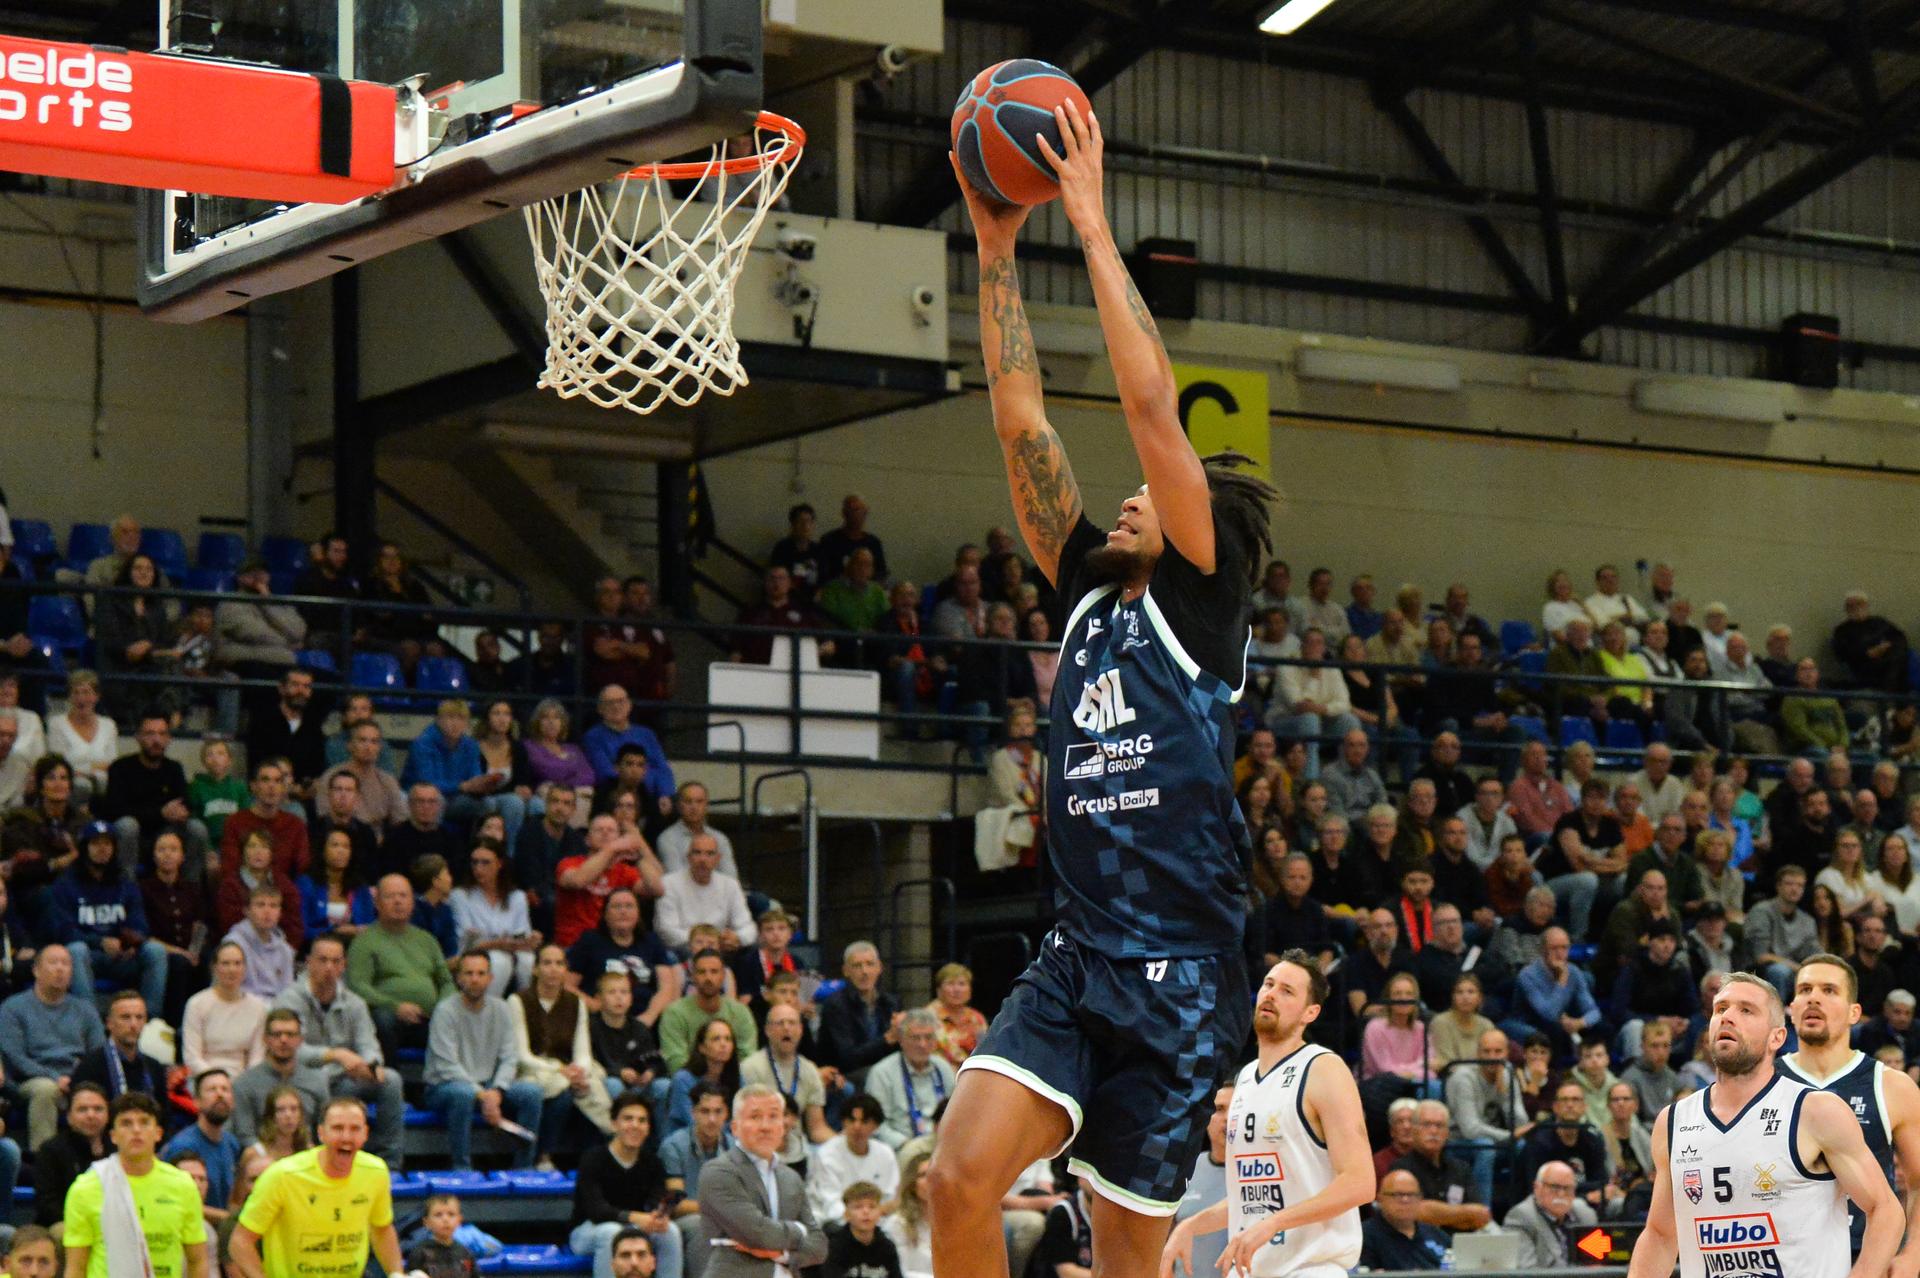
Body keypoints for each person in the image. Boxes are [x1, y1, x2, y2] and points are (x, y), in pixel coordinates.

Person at [939, 98, 1275, 1278]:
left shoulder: (1200, 604)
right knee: (955, 1180)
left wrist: (1087, 221)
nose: (1130, 496)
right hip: (1079, 955)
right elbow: (1019, 418)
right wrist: (993, 247)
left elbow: (1148, 411)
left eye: (1154, 492)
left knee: (1128, 1258)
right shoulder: (1088, 593)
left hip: (1182, 976)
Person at [1626, 973, 1900, 1278]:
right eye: (1721, 1008)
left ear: (1776, 1038)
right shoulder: (1674, 1121)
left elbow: (1886, 1210)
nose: (1728, 1017)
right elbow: (1660, 1235)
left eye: (1746, 1010)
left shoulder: (1815, 1110)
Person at [1160, 953, 1368, 1277]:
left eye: (1287, 991)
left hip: (1310, 1268)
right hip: (1252, 1268)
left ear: (1310, 1012)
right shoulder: (1244, 1078)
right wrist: (1192, 1224)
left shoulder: (1323, 1068)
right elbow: (1255, 1198)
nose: (1271, 994)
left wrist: (1275, 1222)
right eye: (1269, 984)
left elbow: (1360, 1182)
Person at [1778, 954, 1920, 1264]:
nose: (1814, 998)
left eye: (1829, 990)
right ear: (1792, 1009)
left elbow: (1918, 1180)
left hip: (1864, 1254)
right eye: (1804, 990)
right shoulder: (1761, 1083)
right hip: (1780, 1257)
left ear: (1854, 1012)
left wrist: (1913, 1253)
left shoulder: (1892, 1086)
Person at [271, 931, 406, 1169]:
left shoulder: (355, 1003)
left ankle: (390, 1163)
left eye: (335, 961)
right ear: (309, 962)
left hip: (347, 1078)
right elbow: (289, 1050)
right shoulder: (289, 1000)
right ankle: (319, 1159)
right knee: (320, 1081)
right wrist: (334, 1055)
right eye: (322, 960)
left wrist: (370, 1065)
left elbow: (368, 1044)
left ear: (344, 966)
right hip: (304, 1077)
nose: (329, 968)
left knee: (391, 1080)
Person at [230, 1096, 401, 1278]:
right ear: (321, 1133)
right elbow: (240, 1241)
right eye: (337, 1128)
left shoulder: (375, 1172)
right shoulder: (282, 1176)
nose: (346, 1137)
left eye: (355, 1129)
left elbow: (382, 1229)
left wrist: (397, 1273)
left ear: (365, 1134)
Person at [61, 1092, 207, 1278]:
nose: (136, 1130)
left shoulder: (183, 1185)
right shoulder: (85, 1189)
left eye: (144, 1122)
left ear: (158, 1133)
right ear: (113, 1136)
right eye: (126, 1123)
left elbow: (198, 1260)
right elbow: (76, 1268)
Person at [424, 950, 546, 1171]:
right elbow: (446, 1065)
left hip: (490, 1085)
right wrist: (482, 1095)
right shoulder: (445, 1011)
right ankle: (462, 1168)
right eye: (469, 973)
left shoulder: (501, 1009)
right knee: (463, 1094)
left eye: (481, 973)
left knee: (532, 1093)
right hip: (444, 1087)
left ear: (490, 978)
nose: (475, 979)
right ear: (458, 978)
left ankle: (524, 1168)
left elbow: (509, 1057)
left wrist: (497, 1091)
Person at [696, 1084, 829, 1278]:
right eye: (755, 1117)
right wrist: (800, 1230)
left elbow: (819, 1246)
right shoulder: (718, 1172)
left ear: (783, 1126)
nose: (765, 1126)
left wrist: (784, 1255)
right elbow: (757, 1233)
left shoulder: (791, 1177)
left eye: (773, 1116)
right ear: (735, 1127)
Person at [52, 819, 169, 1016]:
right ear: (85, 847)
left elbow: (139, 922)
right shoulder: (66, 884)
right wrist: (99, 942)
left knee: (155, 951)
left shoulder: (125, 882)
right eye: (96, 843)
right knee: (75, 950)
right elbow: (64, 931)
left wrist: (130, 942)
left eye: (107, 843)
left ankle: (149, 1021)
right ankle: (90, 1023)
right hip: (90, 955)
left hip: (123, 955)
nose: (102, 849)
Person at [568, 1089, 683, 1278]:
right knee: (612, 1232)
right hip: (589, 1230)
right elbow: (596, 1210)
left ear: (648, 1128)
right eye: (628, 1119)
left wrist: (657, 1217)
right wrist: (634, 1217)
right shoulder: (593, 1158)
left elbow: (655, 1200)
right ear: (614, 1124)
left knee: (669, 1230)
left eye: (642, 1120)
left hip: (634, 1227)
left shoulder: (652, 1162)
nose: (635, 1125)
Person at [0, 945, 104, 1151]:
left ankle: (97, 1157)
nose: (60, 969)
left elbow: (98, 1053)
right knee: (46, 1090)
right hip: (29, 1081)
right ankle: (44, 1159)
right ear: (36, 970)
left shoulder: (85, 1010)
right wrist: (55, 1078)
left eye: (66, 964)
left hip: (76, 1079)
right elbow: (15, 1057)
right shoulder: (13, 1008)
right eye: (53, 962)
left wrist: (77, 1079)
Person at [101, 712, 206, 876]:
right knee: (127, 825)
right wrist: (160, 813)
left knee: (196, 828)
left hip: (167, 832)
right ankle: (127, 885)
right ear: (138, 737)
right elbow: (115, 809)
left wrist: (181, 812)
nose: (156, 740)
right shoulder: (121, 767)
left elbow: (184, 802)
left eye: (162, 734)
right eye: (150, 734)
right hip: (135, 834)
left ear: (168, 738)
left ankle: (190, 885)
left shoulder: (174, 768)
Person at [555, 814, 661, 950]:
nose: (605, 833)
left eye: (611, 830)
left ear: (619, 838)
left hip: (613, 945)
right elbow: (578, 881)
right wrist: (611, 849)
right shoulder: (569, 864)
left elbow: (657, 890)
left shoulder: (625, 871)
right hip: (573, 944)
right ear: (587, 840)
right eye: (599, 830)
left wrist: (639, 856)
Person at [451, 837, 538, 996]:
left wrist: (530, 941)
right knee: (500, 961)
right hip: (474, 952)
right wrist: (498, 944)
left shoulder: (516, 897)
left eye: (485, 863)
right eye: (475, 862)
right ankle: (487, 1006)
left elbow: (522, 934)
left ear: (499, 864)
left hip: (511, 949)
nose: (478, 868)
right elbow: (467, 941)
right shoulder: (460, 895)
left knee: (528, 960)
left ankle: (522, 1005)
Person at [230, 1009, 329, 1147]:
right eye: (277, 1035)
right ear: (265, 1039)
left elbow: (325, 1129)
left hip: (307, 1153)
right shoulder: (244, 1084)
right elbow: (245, 1135)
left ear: (300, 1040)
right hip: (264, 1155)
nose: (283, 1040)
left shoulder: (317, 1081)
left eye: (290, 1034)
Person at [663, 1083, 734, 1271]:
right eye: (705, 1111)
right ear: (693, 1113)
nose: (712, 1119)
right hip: (685, 1220)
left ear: (726, 1114)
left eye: (718, 1112)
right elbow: (675, 1204)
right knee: (703, 1224)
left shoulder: (735, 1147)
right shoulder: (673, 1146)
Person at [868, 1009, 956, 1151]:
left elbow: (955, 1112)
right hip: (901, 1147)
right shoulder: (882, 1073)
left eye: (928, 1037)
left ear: (935, 1041)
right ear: (901, 1040)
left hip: (943, 1145)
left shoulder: (943, 1068)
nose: (922, 1044)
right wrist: (907, 1146)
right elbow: (876, 1124)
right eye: (915, 1038)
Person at [807, 1094, 899, 1226]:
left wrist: (873, 1216)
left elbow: (889, 1198)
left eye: (864, 1121)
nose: (857, 1127)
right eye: (851, 1120)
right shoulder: (826, 1154)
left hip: (876, 1220)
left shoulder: (885, 1153)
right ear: (843, 1122)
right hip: (834, 1221)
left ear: (876, 1126)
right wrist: (860, 1218)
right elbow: (830, 1202)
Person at [163, 1069, 244, 1213]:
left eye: (225, 1089)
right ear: (196, 1101)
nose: (220, 1094)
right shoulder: (183, 1146)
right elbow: (177, 1201)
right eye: (212, 1089)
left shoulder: (232, 1143)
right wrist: (228, 1219)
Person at [183, 943, 267, 1078]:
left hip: (242, 1080)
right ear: (214, 968)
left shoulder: (259, 1008)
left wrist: (244, 1083)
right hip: (204, 1077)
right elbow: (191, 1057)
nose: (232, 969)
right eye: (225, 964)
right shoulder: (196, 1004)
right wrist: (218, 1080)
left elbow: (257, 1058)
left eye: (237, 963)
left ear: (245, 968)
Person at [217, 761, 310, 882]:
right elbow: (229, 869)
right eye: (265, 780)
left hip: (284, 889)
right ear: (253, 786)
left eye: (277, 781)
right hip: (243, 889)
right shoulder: (235, 822)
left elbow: (303, 868)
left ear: (283, 788)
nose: (271, 786)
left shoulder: (295, 825)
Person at [1502, 1160, 1597, 1268]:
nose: (1561, 1194)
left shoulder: (1585, 1214)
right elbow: (1527, 1271)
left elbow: (1596, 1263)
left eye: (1567, 1188)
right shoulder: (1520, 1217)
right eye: (1554, 1187)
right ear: (1537, 1188)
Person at [1355, 1169, 1449, 1270]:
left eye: (1411, 1194)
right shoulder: (1362, 1237)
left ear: (1420, 1199)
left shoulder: (1436, 1234)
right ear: (1380, 1199)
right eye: (1397, 1194)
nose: (1405, 1200)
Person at [656, 782, 739, 878]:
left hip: (717, 888)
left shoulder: (720, 838)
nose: (694, 807)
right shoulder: (667, 839)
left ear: (706, 805)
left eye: (699, 801)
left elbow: (731, 878)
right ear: (679, 806)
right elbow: (676, 878)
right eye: (688, 801)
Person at [406, 1193, 478, 1278]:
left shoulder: (466, 1253)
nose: (445, 1219)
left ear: (459, 1220)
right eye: (438, 1215)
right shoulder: (419, 1253)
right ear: (426, 1222)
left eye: (451, 1214)